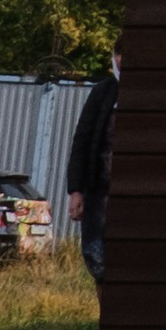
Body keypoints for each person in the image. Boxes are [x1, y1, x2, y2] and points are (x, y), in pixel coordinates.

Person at [65, 51, 121, 280]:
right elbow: (82, 142)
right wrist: (75, 190)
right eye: (119, 54)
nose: (122, 60)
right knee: (98, 260)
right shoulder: (103, 92)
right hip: (99, 192)